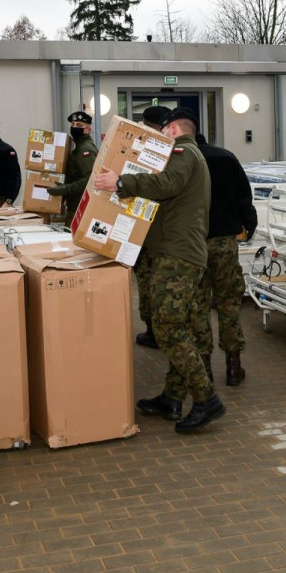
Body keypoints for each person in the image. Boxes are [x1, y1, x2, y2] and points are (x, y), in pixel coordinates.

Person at [94, 107, 225, 433]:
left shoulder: (182, 152)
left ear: (171, 129)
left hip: (176, 257)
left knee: (167, 330)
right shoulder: (194, 155)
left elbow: (167, 183)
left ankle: (206, 398)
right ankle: (172, 396)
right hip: (183, 254)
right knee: (182, 327)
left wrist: (121, 182)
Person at [194, 131, 258, 387]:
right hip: (224, 242)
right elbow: (244, 196)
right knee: (228, 302)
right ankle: (233, 366)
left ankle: (205, 369)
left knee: (197, 305)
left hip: (192, 244)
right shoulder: (226, 157)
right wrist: (249, 224)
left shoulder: (180, 159)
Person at [133, 104, 173, 349]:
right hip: (164, 232)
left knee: (148, 282)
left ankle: (153, 330)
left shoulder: (148, 151)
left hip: (146, 230)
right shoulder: (178, 154)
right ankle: (158, 329)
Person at [46, 111, 98, 214]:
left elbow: (91, 179)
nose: (74, 127)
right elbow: (77, 175)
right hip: (76, 205)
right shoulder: (80, 146)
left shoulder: (84, 149)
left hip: (80, 208)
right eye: (73, 124)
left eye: (79, 125)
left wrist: (66, 189)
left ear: (87, 130)